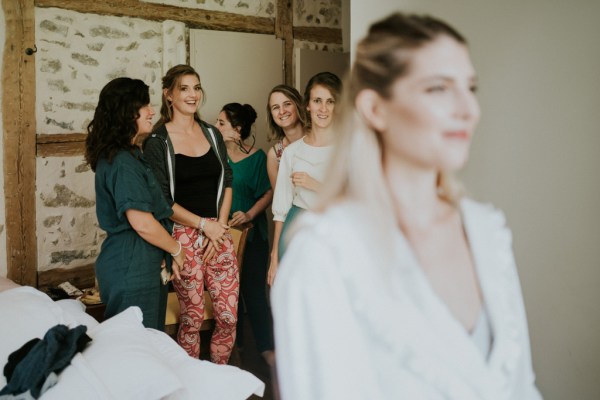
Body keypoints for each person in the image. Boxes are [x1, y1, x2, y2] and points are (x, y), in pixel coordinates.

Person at [271, 13, 543, 399]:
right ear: (375, 109)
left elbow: (520, 385)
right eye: (439, 88)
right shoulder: (323, 254)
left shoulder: (487, 230)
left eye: (471, 88)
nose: (469, 110)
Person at [144, 65, 239, 364]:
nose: (192, 94)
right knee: (192, 318)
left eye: (196, 87)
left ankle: (221, 379)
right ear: (168, 94)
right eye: (184, 88)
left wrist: (219, 226)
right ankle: (193, 384)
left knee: (228, 316)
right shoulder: (157, 141)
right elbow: (161, 201)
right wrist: (202, 226)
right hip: (183, 237)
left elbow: (228, 181)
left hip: (218, 233)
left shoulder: (212, 133)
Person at [85, 77, 184, 331]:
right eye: (145, 106)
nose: (152, 111)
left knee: (143, 342)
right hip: (132, 266)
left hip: (138, 262)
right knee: (138, 344)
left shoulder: (129, 155)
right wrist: (175, 249)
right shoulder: (122, 162)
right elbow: (142, 223)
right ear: (127, 113)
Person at [267, 72, 342, 285]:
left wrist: (315, 185)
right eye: (317, 101)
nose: (323, 108)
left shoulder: (347, 149)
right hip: (296, 232)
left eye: (330, 101)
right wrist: (275, 258)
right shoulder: (292, 153)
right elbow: (280, 210)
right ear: (307, 105)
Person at [216, 102, 275, 366]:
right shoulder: (215, 155)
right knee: (229, 296)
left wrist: (249, 214)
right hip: (221, 238)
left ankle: (267, 350)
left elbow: (270, 192)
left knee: (253, 294)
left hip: (252, 237)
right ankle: (234, 348)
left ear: (237, 130)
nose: (215, 127)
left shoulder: (259, 158)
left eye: (221, 123)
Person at [265, 85, 307, 190]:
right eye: (275, 107)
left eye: (287, 104)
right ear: (271, 114)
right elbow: (279, 200)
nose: (282, 111)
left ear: (298, 105)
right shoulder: (274, 155)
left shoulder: (319, 138)